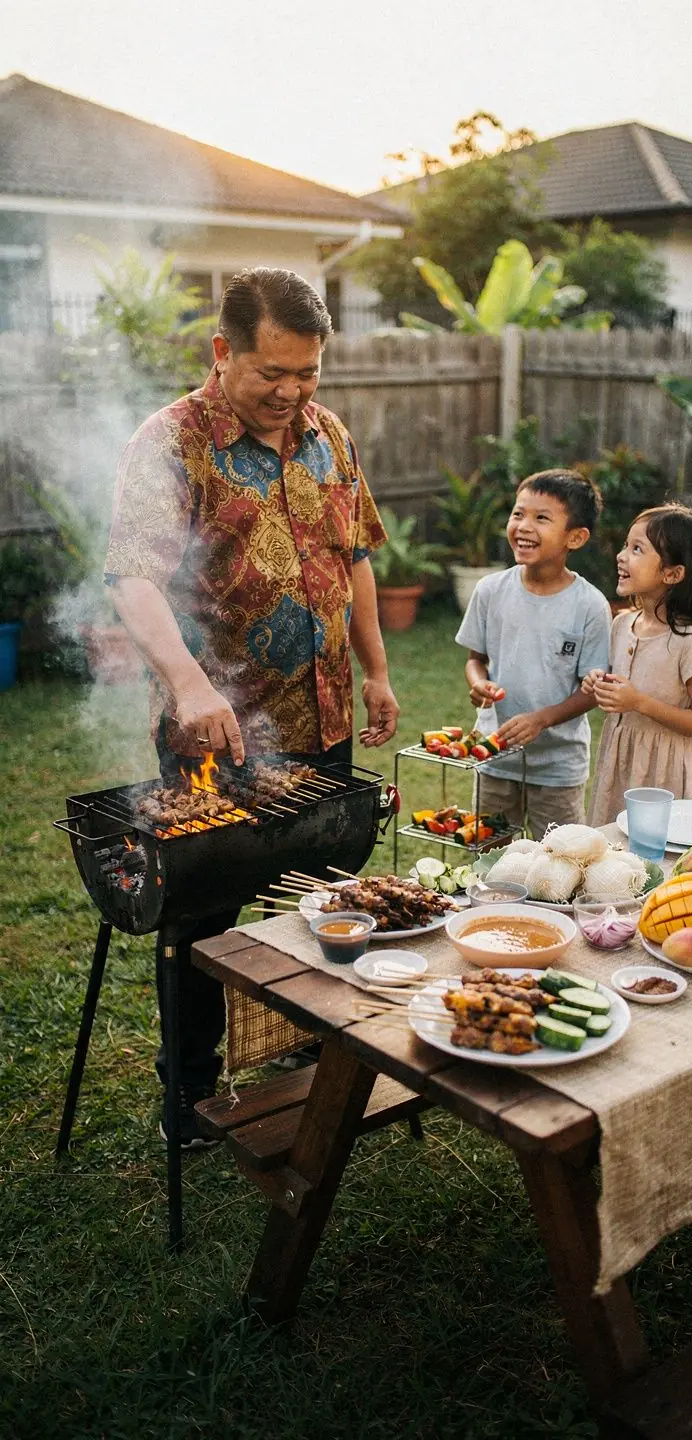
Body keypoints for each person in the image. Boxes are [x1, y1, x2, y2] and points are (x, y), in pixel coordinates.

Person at [105, 267, 399, 1146]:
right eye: (273, 372)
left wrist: (376, 671)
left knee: (317, 890)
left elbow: (354, 559)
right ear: (223, 351)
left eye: (308, 372)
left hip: (325, 714)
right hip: (221, 732)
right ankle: (189, 1090)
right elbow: (133, 578)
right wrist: (189, 684)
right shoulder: (172, 441)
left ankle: (308, 1044)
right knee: (206, 915)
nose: (292, 391)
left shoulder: (329, 434)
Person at [455, 469, 611, 839]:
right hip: (493, 756)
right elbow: (476, 659)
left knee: (559, 858)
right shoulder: (490, 590)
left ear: (576, 537)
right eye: (518, 513)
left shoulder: (590, 605)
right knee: (489, 855)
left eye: (541, 518)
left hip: (558, 769)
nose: (523, 526)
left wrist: (542, 719)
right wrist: (478, 683)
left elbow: (592, 690)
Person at [584, 503, 692, 827]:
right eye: (626, 545)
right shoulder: (623, 624)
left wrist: (640, 703)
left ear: (673, 574)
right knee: (615, 844)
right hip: (621, 764)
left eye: (637, 549)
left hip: (666, 777)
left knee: (663, 847)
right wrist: (599, 682)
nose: (621, 556)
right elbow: (623, 683)